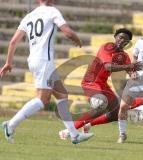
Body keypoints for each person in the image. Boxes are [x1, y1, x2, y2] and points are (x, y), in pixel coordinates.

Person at [0, 0, 93, 144]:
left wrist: (8, 62)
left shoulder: (29, 15)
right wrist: (78, 40)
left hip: (34, 60)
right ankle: (10, 125)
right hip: (44, 61)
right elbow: (67, 32)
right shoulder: (52, 11)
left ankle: (74, 135)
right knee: (42, 100)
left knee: (62, 94)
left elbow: (13, 41)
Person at [58, 28, 143, 140]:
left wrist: (134, 75)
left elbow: (131, 71)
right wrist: (129, 67)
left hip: (102, 84)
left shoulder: (123, 56)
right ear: (115, 37)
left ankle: (89, 124)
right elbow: (108, 66)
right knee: (102, 104)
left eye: (126, 40)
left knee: (115, 114)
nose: (122, 41)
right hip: (90, 82)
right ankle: (68, 131)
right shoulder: (106, 48)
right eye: (121, 37)